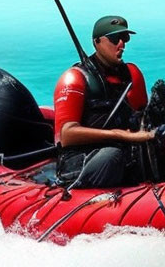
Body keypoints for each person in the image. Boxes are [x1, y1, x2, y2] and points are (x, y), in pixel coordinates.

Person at [53, 15, 155, 187]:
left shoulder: (131, 74)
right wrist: (118, 135)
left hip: (125, 153)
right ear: (97, 42)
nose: (121, 44)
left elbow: (142, 113)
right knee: (112, 155)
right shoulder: (75, 78)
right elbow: (67, 135)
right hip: (85, 160)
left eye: (125, 38)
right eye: (115, 39)